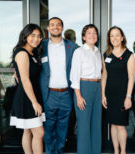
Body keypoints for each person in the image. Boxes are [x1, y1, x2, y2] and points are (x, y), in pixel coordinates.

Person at [39, 17, 79, 154]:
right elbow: (25, 55)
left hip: (66, 93)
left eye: (58, 25)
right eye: (52, 25)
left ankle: (60, 150)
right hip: (49, 94)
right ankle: (50, 152)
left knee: (63, 127)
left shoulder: (72, 47)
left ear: (62, 28)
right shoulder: (41, 46)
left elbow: (86, 57)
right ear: (48, 28)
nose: (55, 27)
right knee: (49, 127)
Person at [10, 23, 45, 154]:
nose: (36, 39)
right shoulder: (22, 53)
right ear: (25, 36)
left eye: (39, 36)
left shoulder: (32, 53)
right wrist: (34, 102)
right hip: (27, 98)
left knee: (27, 130)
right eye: (33, 35)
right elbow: (25, 80)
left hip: (32, 95)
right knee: (39, 133)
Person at [102, 26, 135, 154]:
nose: (114, 38)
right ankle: (116, 151)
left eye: (117, 35)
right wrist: (103, 95)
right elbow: (104, 75)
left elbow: (131, 78)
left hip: (122, 95)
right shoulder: (106, 55)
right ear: (109, 39)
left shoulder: (129, 55)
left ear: (122, 38)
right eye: (112, 35)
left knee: (120, 125)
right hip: (110, 94)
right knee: (113, 124)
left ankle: (123, 151)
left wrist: (128, 97)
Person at [70, 24, 102, 154]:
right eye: (89, 33)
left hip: (97, 88)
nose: (92, 35)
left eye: (94, 33)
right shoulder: (79, 52)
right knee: (83, 126)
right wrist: (78, 96)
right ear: (83, 37)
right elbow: (74, 75)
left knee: (96, 125)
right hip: (84, 88)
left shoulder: (98, 52)